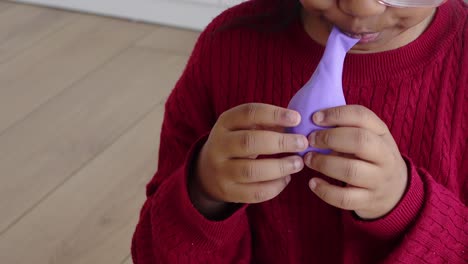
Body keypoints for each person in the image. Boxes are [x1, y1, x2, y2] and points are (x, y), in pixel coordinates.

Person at [131, 0, 467, 263]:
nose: (360, 7)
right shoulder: (227, 48)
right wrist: (203, 192)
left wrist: (406, 207)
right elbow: (152, 251)